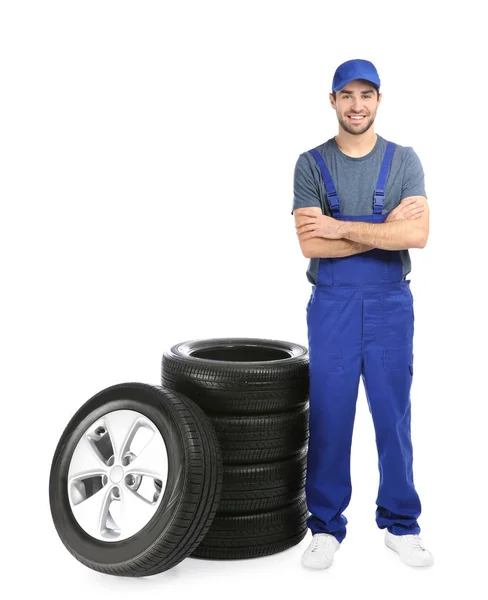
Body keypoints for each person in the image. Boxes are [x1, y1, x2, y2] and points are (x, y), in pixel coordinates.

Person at [292, 59, 434, 570]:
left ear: (379, 100)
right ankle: (326, 528)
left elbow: (416, 235)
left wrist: (340, 228)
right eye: (346, 95)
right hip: (332, 306)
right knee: (330, 415)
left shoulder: (404, 161)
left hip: (390, 306)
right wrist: (378, 226)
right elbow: (309, 241)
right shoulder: (310, 163)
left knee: (393, 414)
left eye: (366, 95)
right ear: (332, 101)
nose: (356, 105)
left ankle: (402, 525)